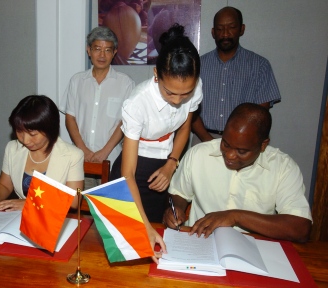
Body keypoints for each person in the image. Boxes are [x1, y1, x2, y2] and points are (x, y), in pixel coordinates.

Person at [110, 23, 203, 261]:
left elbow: (185, 127)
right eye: (170, 92)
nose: (178, 100)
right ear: (156, 75)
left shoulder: (195, 87)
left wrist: (172, 164)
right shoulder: (137, 103)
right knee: (129, 243)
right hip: (133, 167)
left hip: (166, 162)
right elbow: (128, 173)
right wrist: (143, 226)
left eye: (186, 94)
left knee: (158, 246)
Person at [164, 103, 312, 243]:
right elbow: (179, 193)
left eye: (242, 151)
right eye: (225, 144)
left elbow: (300, 229)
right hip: (200, 242)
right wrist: (176, 209)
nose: (229, 155)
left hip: (255, 246)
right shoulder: (199, 154)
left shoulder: (283, 168)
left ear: (263, 145)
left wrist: (236, 216)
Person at [191, 6, 281, 145]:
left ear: (241, 29)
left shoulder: (260, 65)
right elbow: (190, 108)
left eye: (231, 27)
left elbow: (261, 115)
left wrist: (237, 142)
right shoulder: (198, 65)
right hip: (203, 139)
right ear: (213, 33)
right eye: (220, 29)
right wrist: (207, 140)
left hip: (243, 142)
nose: (225, 34)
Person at [0, 95, 83, 211]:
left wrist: (31, 203)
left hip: (52, 219)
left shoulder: (72, 155)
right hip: (17, 218)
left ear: (50, 129)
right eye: (19, 131)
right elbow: (4, 185)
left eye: (33, 134)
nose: (25, 140)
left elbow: (74, 201)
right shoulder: (12, 148)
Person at [61, 26, 135, 189]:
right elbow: (70, 118)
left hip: (113, 160)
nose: (102, 55)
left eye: (107, 50)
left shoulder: (125, 83)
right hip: (80, 161)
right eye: (97, 49)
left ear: (114, 52)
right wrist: (84, 151)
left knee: (107, 210)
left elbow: (125, 122)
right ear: (89, 50)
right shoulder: (77, 81)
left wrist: (104, 152)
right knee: (81, 209)